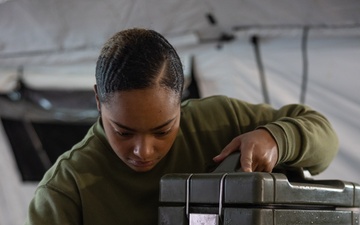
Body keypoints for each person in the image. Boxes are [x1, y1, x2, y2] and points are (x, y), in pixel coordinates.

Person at [24, 28, 338, 225]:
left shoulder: (219, 121)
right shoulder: (66, 191)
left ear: (181, 98)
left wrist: (276, 138)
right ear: (97, 100)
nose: (143, 151)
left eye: (162, 131)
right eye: (123, 131)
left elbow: (324, 138)